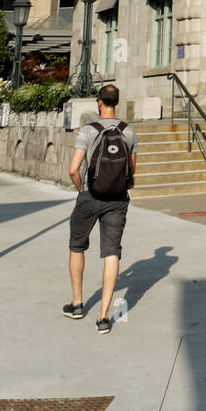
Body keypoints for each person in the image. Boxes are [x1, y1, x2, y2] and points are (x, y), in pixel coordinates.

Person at [64, 84, 137, 333]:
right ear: (116, 102)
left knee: (77, 245)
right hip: (117, 199)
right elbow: (132, 169)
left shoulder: (88, 130)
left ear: (99, 102)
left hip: (90, 195)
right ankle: (104, 316)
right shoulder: (129, 131)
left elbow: (74, 169)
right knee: (111, 253)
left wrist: (81, 190)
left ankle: (77, 304)